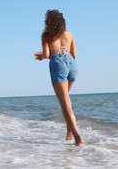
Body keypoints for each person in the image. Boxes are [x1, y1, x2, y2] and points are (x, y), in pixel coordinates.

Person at [34, 10, 84, 146]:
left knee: (65, 104)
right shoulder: (69, 34)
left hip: (58, 64)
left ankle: (78, 138)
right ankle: (69, 132)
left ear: (49, 21)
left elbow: (46, 54)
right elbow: (74, 54)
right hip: (72, 65)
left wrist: (41, 56)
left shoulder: (46, 35)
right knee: (67, 101)